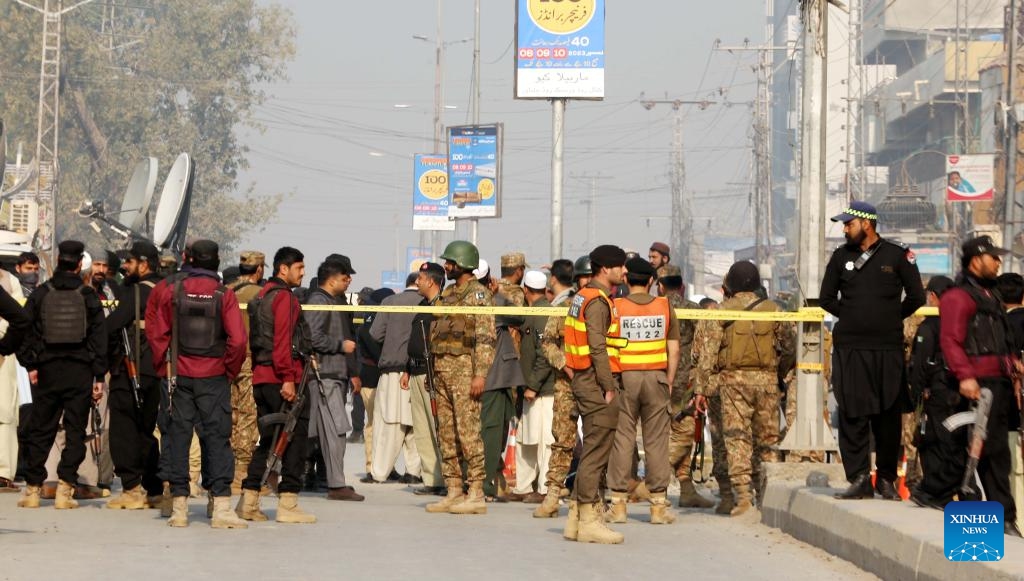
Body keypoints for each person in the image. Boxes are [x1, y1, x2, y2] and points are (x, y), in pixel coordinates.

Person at [821, 201, 925, 500]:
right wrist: (853, 316)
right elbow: (827, 298)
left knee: (888, 413)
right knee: (852, 412)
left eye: (848, 223)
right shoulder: (841, 257)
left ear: (866, 223)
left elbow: (916, 296)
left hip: (887, 347)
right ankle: (859, 478)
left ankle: (886, 480)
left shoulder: (898, 254)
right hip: (850, 347)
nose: (844, 228)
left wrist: (890, 317)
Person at [146, 240, 247, 529]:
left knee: (177, 437)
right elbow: (238, 340)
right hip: (214, 376)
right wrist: (228, 370)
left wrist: (163, 368)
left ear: (188, 259)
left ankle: (179, 508)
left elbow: (156, 333)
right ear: (216, 261)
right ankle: (222, 508)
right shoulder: (224, 294)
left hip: (177, 375)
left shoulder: (168, 289)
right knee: (217, 437)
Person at [692, 261, 795, 515]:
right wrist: (779, 374)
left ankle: (742, 497)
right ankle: (766, 495)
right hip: (767, 382)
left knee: (737, 438)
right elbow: (790, 347)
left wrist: (701, 389)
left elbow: (708, 353)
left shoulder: (722, 312)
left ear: (731, 285)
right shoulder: (773, 310)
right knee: (767, 439)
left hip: (732, 383)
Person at [936, 237, 1020, 535]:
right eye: (993, 258)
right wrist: (965, 376)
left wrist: (1013, 364)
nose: (998, 263)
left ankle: (1002, 518)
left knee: (994, 454)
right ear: (975, 260)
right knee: (979, 454)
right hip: (974, 386)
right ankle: (1002, 520)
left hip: (997, 383)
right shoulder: (959, 297)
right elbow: (950, 340)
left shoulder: (991, 295)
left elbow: (999, 340)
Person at [17, 240, 107, 510]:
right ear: (80, 263)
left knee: (41, 430)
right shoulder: (89, 296)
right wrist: (99, 376)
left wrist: (30, 364)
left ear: (57, 260)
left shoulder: (41, 293)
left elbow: (24, 329)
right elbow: (99, 338)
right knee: (76, 431)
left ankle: (33, 490)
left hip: (47, 371)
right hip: (79, 373)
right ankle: (65, 490)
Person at [238, 246, 317, 524]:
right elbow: (282, 339)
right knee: (293, 441)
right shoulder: (284, 298)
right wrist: (288, 378)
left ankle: (248, 500)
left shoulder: (261, 295)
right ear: (283, 269)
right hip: (282, 378)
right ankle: (288, 503)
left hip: (262, 375)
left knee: (269, 440)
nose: (303, 273)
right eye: (299, 267)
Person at [562, 244, 628, 544]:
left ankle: (576, 517)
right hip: (597, 382)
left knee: (592, 446)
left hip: (585, 379)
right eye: (620, 266)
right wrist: (609, 386)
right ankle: (589, 518)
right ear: (606, 269)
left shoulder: (583, 296)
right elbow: (598, 347)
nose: (624, 271)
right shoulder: (599, 301)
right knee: (596, 450)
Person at [606, 257, 679, 524]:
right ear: (651, 281)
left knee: (623, 438)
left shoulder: (615, 307)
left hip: (626, 379)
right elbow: (674, 348)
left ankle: (619, 505)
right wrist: (668, 380)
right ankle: (658, 507)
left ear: (625, 279)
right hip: (657, 377)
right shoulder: (664, 305)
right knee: (657, 440)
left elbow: (607, 347)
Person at [425, 241, 496, 515]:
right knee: (446, 433)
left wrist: (480, 375)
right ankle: (454, 489)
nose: (446, 266)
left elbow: (486, 339)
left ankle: (476, 491)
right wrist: (432, 371)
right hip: (441, 371)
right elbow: (437, 333)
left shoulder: (479, 295)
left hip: (466, 373)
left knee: (468, 434)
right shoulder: (447, 293)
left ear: (462, 263)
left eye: (449, 262)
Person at [104, 241, 164, 510]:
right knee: (145, 429)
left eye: (129, 261)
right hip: (157, 369)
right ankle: (153, 488)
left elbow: (114, 324)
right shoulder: (164, 289)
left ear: (144, 263)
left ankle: (131, 488)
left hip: (132, 368)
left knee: (124, 428)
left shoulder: (138, 291)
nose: (124, 266)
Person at [305, 257, 363, 501]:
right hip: (324, 377)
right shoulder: (319, 301)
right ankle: (337, 484)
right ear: (331, 278)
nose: (348, 280)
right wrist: (340, 345)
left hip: (331, 376)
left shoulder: (332, 301)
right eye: (344, 277)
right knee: (337, 431)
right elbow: (312, 337)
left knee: (319, 433)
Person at [658, 264, 714, 508]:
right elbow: (703, 349)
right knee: (685, 435)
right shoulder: (693, 310)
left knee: (663, 435)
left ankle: (686, 488)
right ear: (681, 285)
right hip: (686, 384)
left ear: (660, 286)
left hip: (659, 380)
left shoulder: (654, 310)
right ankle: (655, 477)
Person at [534, 258, 579, 518]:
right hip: (566, 384)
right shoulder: (563, 307)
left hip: (597, 385)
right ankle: (552, 496)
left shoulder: (606, 306)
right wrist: (566, 366)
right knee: (562, 442)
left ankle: (591, 497)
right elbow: (548, 342)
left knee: (598, 443)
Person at [906, 276, 956, 509]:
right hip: (958, 395)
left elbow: (919, 365)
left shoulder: (929, 326)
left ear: (934, 296)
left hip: (934, 395)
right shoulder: (961, 322)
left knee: (931, 443)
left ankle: (936, 493)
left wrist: (915, 393)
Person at [369, 273, 423, 484]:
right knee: (417, 425)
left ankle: (380, 472)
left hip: (391, 371)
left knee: (389, 425)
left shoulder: (389, 301)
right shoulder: (426, 303)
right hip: (418, 371)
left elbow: (375, 334)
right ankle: (413, 472)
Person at [481, 258, 526, 501]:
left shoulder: (451, 297)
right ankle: (487, 483)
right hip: (498, 374)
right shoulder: (494, 300)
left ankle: (488, 478)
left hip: (473, 374)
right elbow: (519, 317)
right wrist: (497, 293)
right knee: (494, 430)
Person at [510, 270, 555, 504]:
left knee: (544, 441)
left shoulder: (543, 314)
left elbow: (545, 355)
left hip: (542, 391)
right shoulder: (534, 312)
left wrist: (533, 386)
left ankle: (545, 488)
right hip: (530, 389)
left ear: (525, 290)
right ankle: (523, 487)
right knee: (526, 440)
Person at [404, 262, 446, 496]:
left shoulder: (443, 307)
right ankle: (431, 479)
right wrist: (406, 369)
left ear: (431, 281)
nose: (417, 281)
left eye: (420, 278)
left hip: (432, 374)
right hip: (416, 371)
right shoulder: (422, 305)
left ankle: (446, 480)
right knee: (422, 429)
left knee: (437, 427)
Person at [225, 251, 265, 494]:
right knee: (249, 415)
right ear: (259, 269)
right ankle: (242, 473)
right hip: (250, 359)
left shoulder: (225, 291)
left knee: (231, 413)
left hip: (226, 359)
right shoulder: (259, 294)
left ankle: (229, 469)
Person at [356, 287, 393, 481]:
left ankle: (387, 466)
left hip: (383, 375)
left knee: (388, 424)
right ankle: (371, 466)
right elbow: (374, 347)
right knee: (373, 423)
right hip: (371, 376)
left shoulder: (384, 320)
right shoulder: (369, 323)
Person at [0, 282, 30, 493]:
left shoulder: (10, 279)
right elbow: (21, 319)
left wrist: (4, 348)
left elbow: (21, 319)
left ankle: (3, 471)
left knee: (4, 411)